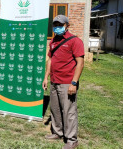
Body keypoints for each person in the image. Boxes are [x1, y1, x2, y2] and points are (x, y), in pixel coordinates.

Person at [42, 15, 84, 149]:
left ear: (67, 26)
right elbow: (50, 59)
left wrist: (74, 83)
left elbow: (80, 63)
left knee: (69, 111)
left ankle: (72, 140)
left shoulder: (75, 41)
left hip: (67, 82)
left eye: (60, 25)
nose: (57, 27)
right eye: (55, 25)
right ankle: (57, 132)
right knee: (55, 109)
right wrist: (46, 77)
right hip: (54, 80)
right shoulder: (53, 41)